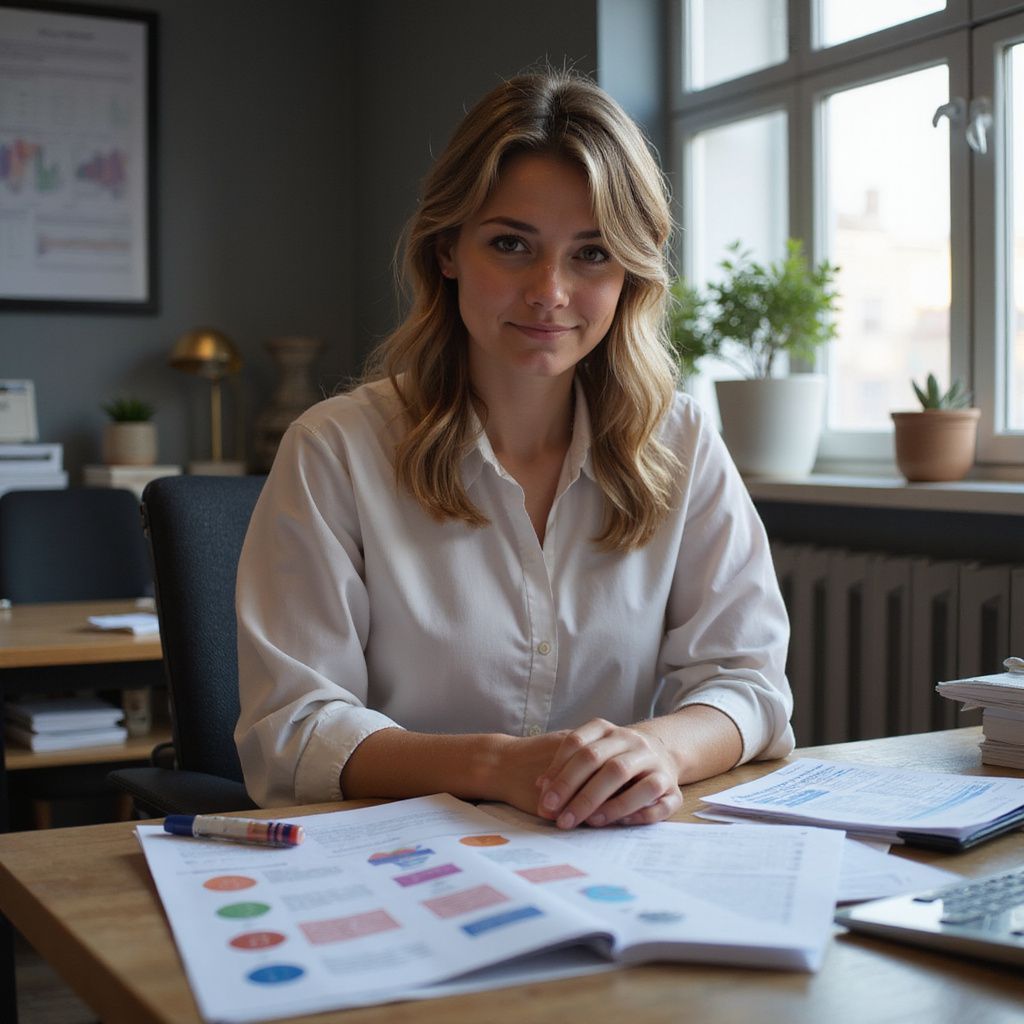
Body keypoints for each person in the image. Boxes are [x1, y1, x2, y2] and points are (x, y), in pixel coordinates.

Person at [235, 69, 794, 829]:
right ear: (447, 251)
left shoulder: (684, 442)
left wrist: (655, 751)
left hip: (612, 855)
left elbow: (749, 684)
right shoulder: (335, 450)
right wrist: (500, 768)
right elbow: (292, 732)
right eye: (511, 244)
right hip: (397, 862)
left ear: (631, 272)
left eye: (591, 254)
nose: (549, 292)